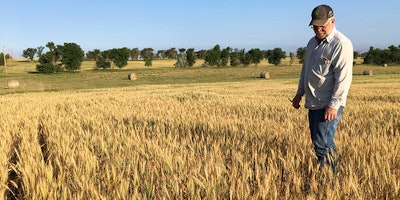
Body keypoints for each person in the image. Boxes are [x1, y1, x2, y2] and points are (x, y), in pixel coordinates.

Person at [292, 4, 353, 172]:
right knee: (318, 141)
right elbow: (306, 70)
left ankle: (331, 181)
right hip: (313, 100)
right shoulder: (312, 43)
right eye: (315, 26)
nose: (318, 29)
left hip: (327, 103)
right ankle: (329, 175)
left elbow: (344, 78)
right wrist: (299, 93)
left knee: (323, 144)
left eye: (322, 25)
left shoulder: (341, 44)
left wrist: (334, 105)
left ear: (332, 21)